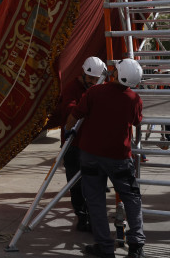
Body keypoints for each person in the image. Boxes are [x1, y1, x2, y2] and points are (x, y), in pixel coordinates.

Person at [66, 59, 145, 258]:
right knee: (132, 199)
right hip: (119, 157)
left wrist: (68, 131)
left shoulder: (94, 92)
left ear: (117, 74)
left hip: (90, 155)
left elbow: (75, 115)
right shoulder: (134, 99)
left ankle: (104, 247)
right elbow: (136, 121)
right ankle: (136, 245)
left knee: (96, 200)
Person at [54, 56, 107, 232]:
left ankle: (94, 216)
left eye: (95, 79)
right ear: (83, 74)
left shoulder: (99, 88)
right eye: (90, 78)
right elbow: (70, 110)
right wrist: (85, 108)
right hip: (74, 143)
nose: (93, 82)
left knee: (94, 182)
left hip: (92, 144)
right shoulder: (72, 88)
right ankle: (82, 215)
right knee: (75, 183)